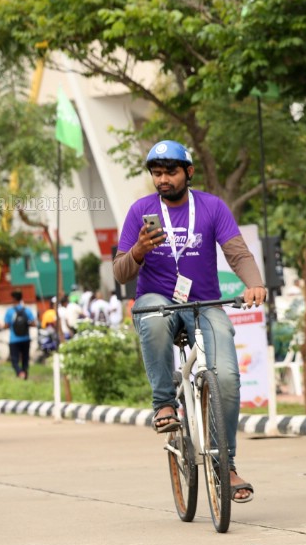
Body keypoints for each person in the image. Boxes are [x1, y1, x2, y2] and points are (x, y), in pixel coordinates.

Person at [113, 139, 267, 503]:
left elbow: (237, 252)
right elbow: (120, 273)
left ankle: (225, 466)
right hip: (159, 302)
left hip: (204, 304)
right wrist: (137, 251)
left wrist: (255, 283)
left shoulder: (212, 207)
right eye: (156, 173)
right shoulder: (140, 210)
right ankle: (164, 404)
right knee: (149, 314)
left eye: (170, 172)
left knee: (226, 377)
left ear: (189, 172)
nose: (162, 179)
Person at [0, 289, 37, 379]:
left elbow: (6, 325)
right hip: (26, 338)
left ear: (13, 299)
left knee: (14, 359)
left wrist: (1, 327)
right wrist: (25, 324)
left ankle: (20, 373)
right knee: (25, 358)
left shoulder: (10, 311)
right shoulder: (27, 310)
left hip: (14, 339)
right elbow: (34, 323)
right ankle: (24, 372)